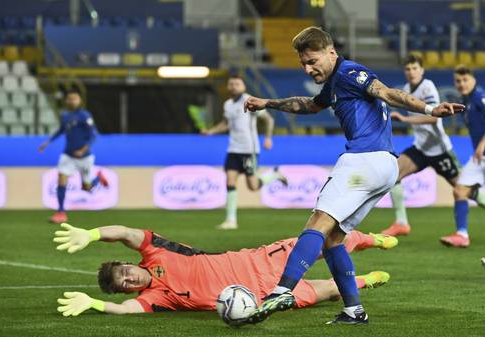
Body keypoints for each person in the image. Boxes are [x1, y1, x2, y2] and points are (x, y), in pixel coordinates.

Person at [243, 26, 463, 325]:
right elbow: (310, 105)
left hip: (363, 160)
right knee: (334, 239)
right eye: (303, 64)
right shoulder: (336, 82)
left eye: (312, 61)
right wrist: (267, 103)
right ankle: (353, 310)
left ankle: (282, 290)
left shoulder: (349, 73)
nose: (308, 69)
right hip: (384, 165)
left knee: (318, 223)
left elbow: (386, 92)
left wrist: (430, 108)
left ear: (330, 52)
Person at [53, 223, 397, 316]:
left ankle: (373, 240)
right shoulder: (157, 297)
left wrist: (92, 234)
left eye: (124, 271)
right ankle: (368, 281)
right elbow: (126, 310)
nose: (129, 278)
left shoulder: (155, 251)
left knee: (327, 240)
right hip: (260, 297)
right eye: (124, 283)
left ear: (128, 262)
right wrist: (96, 304)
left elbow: (127, 233)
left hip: (258, 260)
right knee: (331, 290)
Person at [382, 54, 463, 236]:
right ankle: (401, 222)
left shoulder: (427, 87)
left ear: (422, 70)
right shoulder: (406, 89)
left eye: (415, 68)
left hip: (439, 150)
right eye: (408, 69)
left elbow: (435, 118)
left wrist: (404, 118)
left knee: (464, 190)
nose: (411, 72)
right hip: (421, 148)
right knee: (393, 174)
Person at [202, 75, 287, 230]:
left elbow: (269, 119)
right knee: (230, 181)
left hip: (249, 150)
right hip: (233, 149)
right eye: (231, 83)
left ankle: (275, 175)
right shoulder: (227, 104)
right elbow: (226, 124)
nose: (234, 86)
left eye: (237, 84)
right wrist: (211, 131)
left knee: (253, 186)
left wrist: (268, 138)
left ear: (243, 86)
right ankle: (230, 220)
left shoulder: (250, 101)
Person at [39, 89, 108, 224]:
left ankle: (98, 178)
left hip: (85, 157)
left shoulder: (84, 115)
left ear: (79, 100)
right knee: (61, 178)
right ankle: (61, 212)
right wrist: (48, 142)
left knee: (87, 188)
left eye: (74, 98)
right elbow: (61, 130)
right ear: (66, 100)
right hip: (68, 155)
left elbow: (93, 135)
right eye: (70, 99)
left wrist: (83, 149)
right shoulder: (65, 115)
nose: (72, 101)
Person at [440, 65, 485, 248]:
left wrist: (482, 144)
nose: (461, 84)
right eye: (458, 81)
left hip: (482, 151)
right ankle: (462, 234)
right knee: (460, 190)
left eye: (465, 80)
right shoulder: (465, 102)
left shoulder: (480, 98)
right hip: (479, 158)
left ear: (473, 79)